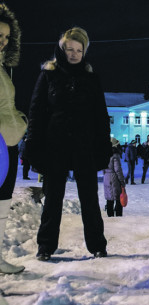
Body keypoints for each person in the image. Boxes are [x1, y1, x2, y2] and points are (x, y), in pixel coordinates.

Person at [26, 27, 111, 261]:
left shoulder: (91, 78)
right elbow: (36, 113)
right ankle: (45, 246)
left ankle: (97, 245)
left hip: (85, 147)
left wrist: (103, 147)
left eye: (79, 50)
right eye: (69, 49)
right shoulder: (48, 75)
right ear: (61, 49)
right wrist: (33, 144)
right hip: (55, 146)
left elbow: (100, 117)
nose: (73, 54)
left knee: (89, 200)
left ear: (84, 52)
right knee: (53, 198)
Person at [0, 3, 25, 274]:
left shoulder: (2, 71)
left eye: (7, 37)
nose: (3, 42)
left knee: (2, 204)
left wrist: (20, 120)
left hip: (8, 145)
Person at [103, 138, 125, 217]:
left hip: (106, 177)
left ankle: (110, 216)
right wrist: (122, 181)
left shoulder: (104, 154)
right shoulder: (115, 155)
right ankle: (118, 217)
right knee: (118, 199)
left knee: (109, 199)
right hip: (114, 178)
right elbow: (118, 170)